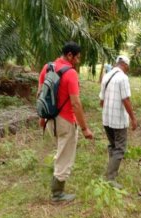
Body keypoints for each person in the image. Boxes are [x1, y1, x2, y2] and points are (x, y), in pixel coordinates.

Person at [38, 41, 93, 202]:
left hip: (50, 119)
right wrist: (85, 129)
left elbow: (40, 94)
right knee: (65, 155)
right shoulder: (70, 73)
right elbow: (76, 103)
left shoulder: (47, 67)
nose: (78, 61)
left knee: (60, 150)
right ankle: (57, 193)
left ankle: (57, 182)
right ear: (70, 55)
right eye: (77, 58)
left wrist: (42, 117)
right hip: (66, 120)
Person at [99, 55, 137, 189]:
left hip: (106, 118)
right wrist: (133, 118)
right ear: (125, 65)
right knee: (120, 147)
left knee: (113, 145)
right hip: (118, 119)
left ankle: (111, 170)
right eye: (128, 67)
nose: (128, 69)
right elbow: (126, 100)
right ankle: (110, 177)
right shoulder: (123, 78)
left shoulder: (107, 76)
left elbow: (101, 101)